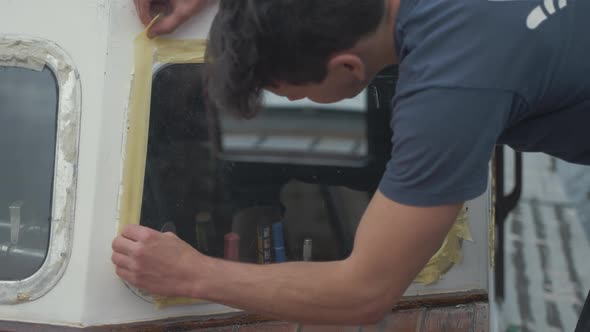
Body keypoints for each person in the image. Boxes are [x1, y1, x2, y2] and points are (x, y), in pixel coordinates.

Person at [114, 0, 590, 329]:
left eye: (293, 95)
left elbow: (366, 290)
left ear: (347, 67)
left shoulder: (449, 90)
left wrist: (189, 274)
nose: (298, 101)